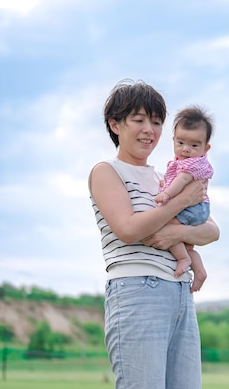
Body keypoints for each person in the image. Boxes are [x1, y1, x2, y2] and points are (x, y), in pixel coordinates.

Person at [88, 80, 219, 389]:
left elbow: (211, 231)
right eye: (139, 120)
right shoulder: (107, 171)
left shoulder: (166, 177)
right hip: (137, 289)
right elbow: (129, 229)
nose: (149, 129)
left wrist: (176, 232)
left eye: (157, 122)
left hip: (180, 292)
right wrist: (184, 201)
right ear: (115, 124)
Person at [155, 106, 214, 291]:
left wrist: (166, 193)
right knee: (188, 246)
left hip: (194, 208)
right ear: (173, 140)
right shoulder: (185, 161)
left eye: (194, 145)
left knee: (165, 223)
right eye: (181, 143)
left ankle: (183, 258)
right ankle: (199, 269)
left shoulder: (192, 164)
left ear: (206, 148)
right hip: (197, 207)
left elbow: (181, 181)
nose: (186, 149)